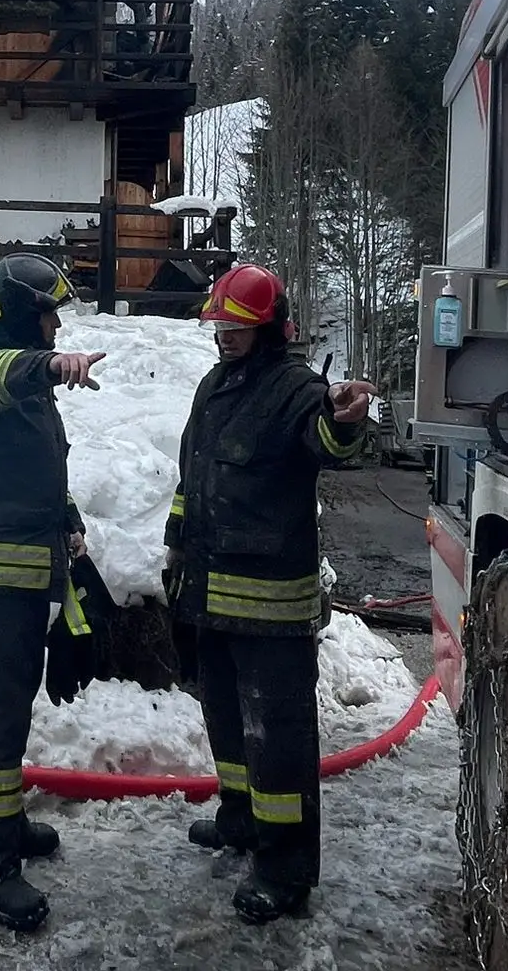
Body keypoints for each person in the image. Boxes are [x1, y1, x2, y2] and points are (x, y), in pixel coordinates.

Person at [163, 263, 375, 924]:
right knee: (227, 725)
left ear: (270, 330)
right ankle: (239, 820)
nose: (224, 335)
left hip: (269, 612)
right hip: (212, 599)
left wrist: (345, 421)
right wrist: (176, 540)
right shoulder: (216, 384)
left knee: (277, 741)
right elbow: (192, 476)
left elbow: (326, 442)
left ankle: (285, 871)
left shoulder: (293, 389)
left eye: (237, 327)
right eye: (220, 325)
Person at [0, 253, 106, 933]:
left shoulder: (22, 377)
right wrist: (48, 367)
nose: (56, 326)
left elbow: (34, 465)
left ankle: (0, 824)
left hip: (23, 571)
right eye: (47, 314)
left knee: (9, 714)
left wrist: (66, 519)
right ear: (16, 312)